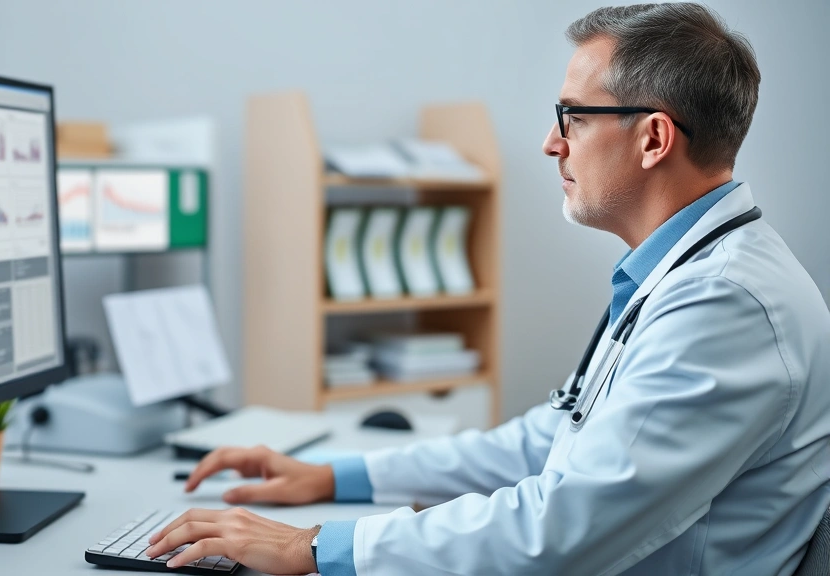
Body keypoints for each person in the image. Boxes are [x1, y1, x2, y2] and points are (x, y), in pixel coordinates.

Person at [145, 4, 830, 574]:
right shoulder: (682, 273)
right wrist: (333, 478)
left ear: (653, 139)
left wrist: (314, 546)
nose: (550, 143)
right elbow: (549, 440)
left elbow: (566, 526)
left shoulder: (724, 302)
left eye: (573, 116)